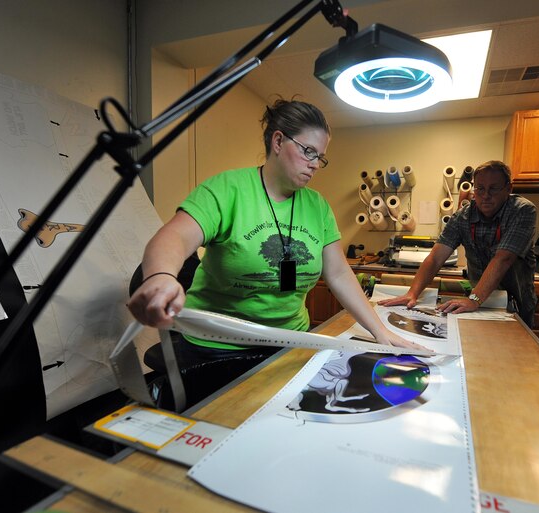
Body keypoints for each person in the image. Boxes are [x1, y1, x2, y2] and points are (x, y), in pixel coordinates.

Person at [127, 99, 425, 404]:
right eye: (308, 151)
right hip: (217, 346)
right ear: (278, 141)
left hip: (289, 343)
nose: (315, 164)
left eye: (321, 157)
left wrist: (379, 332)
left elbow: (337, 273)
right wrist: (161, 277)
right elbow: (173, 237)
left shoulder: (317, 206)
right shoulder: (227, 190)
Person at [379, 160, 537, 327]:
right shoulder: (463, 217)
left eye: (493, 188)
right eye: (480, 188)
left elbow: (503, 258)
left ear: (508, 189)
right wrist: (412, 293)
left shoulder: (523, 211)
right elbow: (435, 258)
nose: (485, 195)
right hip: (479, 302)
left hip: (514, 302)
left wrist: (474, 299)